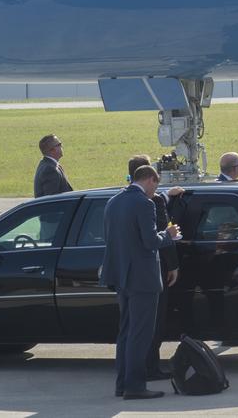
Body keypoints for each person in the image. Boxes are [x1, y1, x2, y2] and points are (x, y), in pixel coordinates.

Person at [100, 164, 181, 400]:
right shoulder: (144, 204)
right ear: (150, 180)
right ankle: (135, 386)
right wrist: (170, 235)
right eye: (155, 185)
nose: (155, 192)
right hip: (142, 278)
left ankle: (122, 384)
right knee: (141, 333)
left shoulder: (113, 201)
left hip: (121, 276)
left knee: (125, 332)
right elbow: (150, 241)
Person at [126, 155, 183, 384]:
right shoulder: (152, 201)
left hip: (127, 271)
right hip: (152, 269)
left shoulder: (119, 198)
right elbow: (161, 234)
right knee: (154, 321)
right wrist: (174, 265)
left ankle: (134, 370)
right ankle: (150, 367)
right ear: (148, 177)